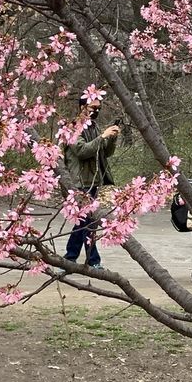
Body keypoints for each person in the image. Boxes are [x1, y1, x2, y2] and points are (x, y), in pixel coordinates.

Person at [61, 104, 120, 269]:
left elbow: (105, 153)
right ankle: (90, 260)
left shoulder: (93, 127)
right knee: (87, 221)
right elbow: (82, 151)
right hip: (78, 181)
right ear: (81, 107)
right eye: (92, 107)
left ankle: (71, 258)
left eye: (98, 107)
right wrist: (102, 137)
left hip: (92, 181)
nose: (96, 110)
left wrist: (111, 138)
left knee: (84, 221)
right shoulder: (72, 128)